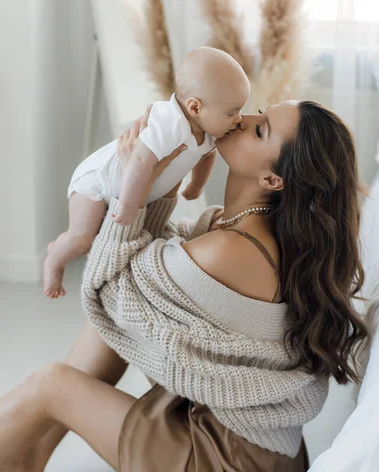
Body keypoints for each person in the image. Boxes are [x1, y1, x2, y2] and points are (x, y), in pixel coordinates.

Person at [0, 100, 371, 472]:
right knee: (111, 327)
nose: (244, 119)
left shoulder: (232, 251)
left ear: (273, 180)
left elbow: (110, 283)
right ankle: (24, 458)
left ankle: (16, 449)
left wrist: (142, 175)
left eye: (261, 131)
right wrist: (159, 178)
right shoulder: (234, 227)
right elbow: (147, 264)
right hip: (255, 466)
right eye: (257, 111)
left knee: (55, 380)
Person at [43, 47, 250, 298]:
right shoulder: (169, 122)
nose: (239, 119)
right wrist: (129, 204)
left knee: (99, 238)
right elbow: (139, 159)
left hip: (126, 191)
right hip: (96, 183)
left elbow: (207, 157)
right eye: (232, 112)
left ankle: (65, 246)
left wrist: (196, 186)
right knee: (82, 239)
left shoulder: (208, 133)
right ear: (195, 107)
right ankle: (54, 261)